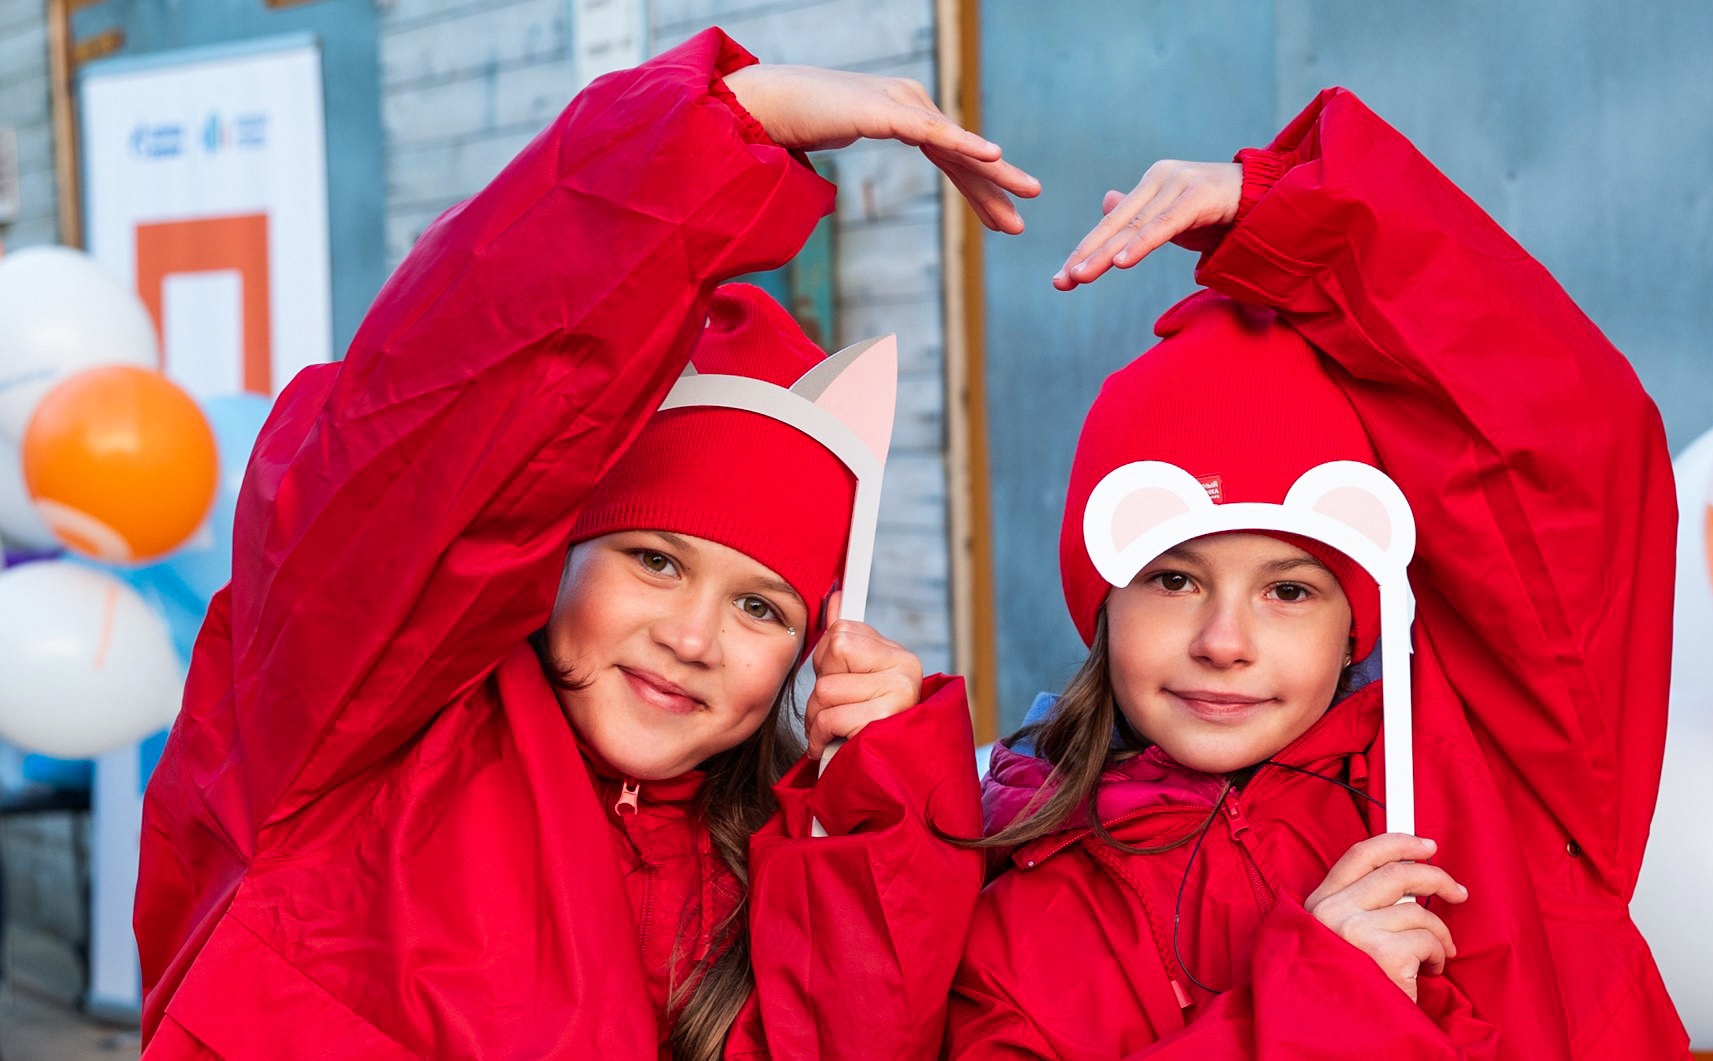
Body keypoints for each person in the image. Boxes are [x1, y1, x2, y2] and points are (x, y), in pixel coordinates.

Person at [133, 29, 1038, 1059]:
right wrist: (715, 136)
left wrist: (876, 809)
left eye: (761, 605)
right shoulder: (364, 731)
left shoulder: (763, 868)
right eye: (654, 559)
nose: (692, 636)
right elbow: (443, 417)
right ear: (545, 549)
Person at [946, 87, 1690, 1058]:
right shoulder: (1011, 912)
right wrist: (1305, 1007)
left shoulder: (1496, 784)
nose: (1223, 640)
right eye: (1173, 579)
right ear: (1103, 593)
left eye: (1288, 587)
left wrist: (1306, 223)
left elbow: (1569, 450)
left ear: (1357, 615)